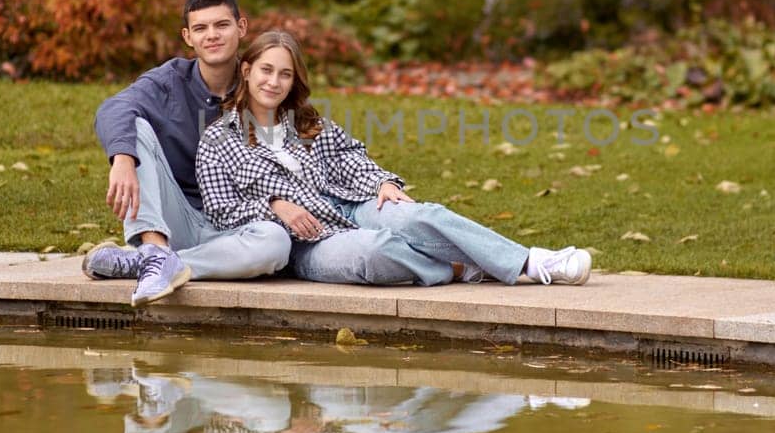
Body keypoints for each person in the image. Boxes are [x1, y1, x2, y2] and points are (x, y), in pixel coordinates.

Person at [196, 30, 591, 287]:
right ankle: (462, 266)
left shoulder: (305, 121)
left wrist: (381, 183)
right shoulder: (217, 141)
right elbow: (220, 211)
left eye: (285, 74)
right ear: (246, 71)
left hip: (350, 204)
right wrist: (274, 206)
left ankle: (532, 263)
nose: (274, 82)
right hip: (310, 242)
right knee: (374, 251)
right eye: (266, 70)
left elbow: (350, 157)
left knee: (421, 216)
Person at [84, 0, 291, 303]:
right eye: (201, 28)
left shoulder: (263, 82)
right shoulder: (170, 81)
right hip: (176, 217)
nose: (212, 35)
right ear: (187, 36)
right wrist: (123, 158)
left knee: (276, 245)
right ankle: (155, 248)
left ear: (241, 27)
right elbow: (114, 109)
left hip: (238, 224)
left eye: (221, 25)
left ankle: (152, 262)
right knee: (134, 126)